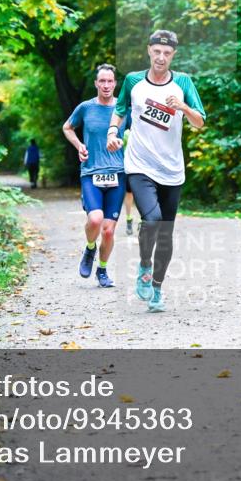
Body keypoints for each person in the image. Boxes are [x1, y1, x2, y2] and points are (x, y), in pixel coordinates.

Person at [106, 30, 205, 312]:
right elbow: (121, 109)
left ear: (173, 54)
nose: (161, 57)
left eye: (167, 53)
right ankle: (144, 265)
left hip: (172, 169)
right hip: (139, 164)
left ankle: (157, 289)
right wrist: (113, 131)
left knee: (165, 232)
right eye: (157, 52)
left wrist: (183, 106)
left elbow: (199, 122)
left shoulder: (183, 82)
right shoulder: (133, 81)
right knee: (152, 219)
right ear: (149, 50)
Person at [62, 64, 127, 288]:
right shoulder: (86, 108)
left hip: (118, 174)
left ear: (115, 83)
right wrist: (79, 145)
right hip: (91, 172)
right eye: (102, 81)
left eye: (110, 81)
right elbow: (67, 127)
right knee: (95, 220)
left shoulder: (123, 108)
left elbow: (136, 133)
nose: (106, 85)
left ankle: (102, 270)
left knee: (108, 231)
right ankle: (90, 248)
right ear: (96, 83)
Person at [122, 125, 137, 236]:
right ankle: (129, 219)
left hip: (141, 167)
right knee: (130, 194)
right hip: (130, 167)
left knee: (133, 195)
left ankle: (139, 220)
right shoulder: (126, 133)